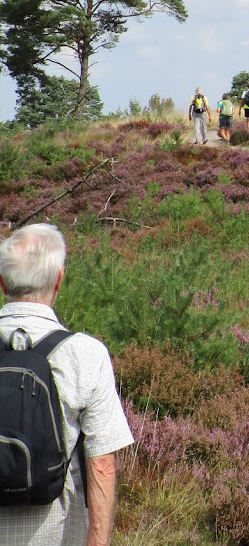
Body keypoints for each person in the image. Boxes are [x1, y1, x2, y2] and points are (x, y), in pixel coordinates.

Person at [0, 224, 134, 546]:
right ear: (60, 278)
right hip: (57, 534)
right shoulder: (87, 354)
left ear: (2, 282)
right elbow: (102, 464)